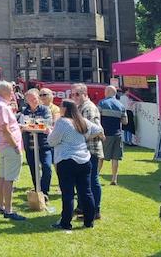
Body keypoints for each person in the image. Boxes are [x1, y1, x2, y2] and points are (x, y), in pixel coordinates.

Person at [46, 99, 103, 231]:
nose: (59, 108)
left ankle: (65, 222)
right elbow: (98, 128)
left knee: (68, 194)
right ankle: (89, 222)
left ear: (65, 109)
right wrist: (86, 136)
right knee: (86, 192)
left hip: (67, 160)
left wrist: (49, 132)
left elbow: (51, 141)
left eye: (61, 106)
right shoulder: (82, 121)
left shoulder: (62, 122)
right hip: (84, 160)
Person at [0, 80, 26, 221]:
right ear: (5, 91)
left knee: (2, 177)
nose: (13, 93)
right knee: (9, 179)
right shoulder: (3, 106)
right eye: (12, 90)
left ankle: (0, 206)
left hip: (4, 145)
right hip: (10, 145)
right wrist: (16, 146)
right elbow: (5, 129)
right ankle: (8, 210)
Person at [72, 83, 104, 219]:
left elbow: (98, 130)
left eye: (77, 94)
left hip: (90, 149)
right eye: (72, 94)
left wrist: (80, 137)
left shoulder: (89, 108)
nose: (74, 97)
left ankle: (95, 210)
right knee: (82, 181)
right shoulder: (80, 107)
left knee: (92, 180)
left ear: (85, 94)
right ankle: (82, 207)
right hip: (83, 150)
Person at [20, 88, 53, 198]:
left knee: (47, 167)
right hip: (30, 146)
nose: (32, 101)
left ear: (38, 98)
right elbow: (21, 126)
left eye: (34, 98)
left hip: (44, 145)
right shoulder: (25, 111)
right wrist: (37, 126)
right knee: (34, 170)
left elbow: (46, 125)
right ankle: (38, 192)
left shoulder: (45, 110)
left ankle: (44, 191)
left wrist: (30, 126)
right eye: (29, 99)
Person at [98, 85, 128, 185]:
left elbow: (97, 118)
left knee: (101, 156)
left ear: (107, 92)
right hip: (117, 134)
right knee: (115, 158)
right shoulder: (121, 106)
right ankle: (114, 179)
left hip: (105, 134)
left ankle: (96, 176)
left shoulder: (102, 103)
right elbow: (125, 122)